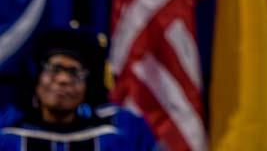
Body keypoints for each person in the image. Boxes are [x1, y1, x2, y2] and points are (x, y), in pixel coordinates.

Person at [0, 27, 156, 150]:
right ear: (37, 78)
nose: (63, 80)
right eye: (55, 69)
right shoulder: (9, 140)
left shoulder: (110, 142)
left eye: (75, 73)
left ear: (87, 87)